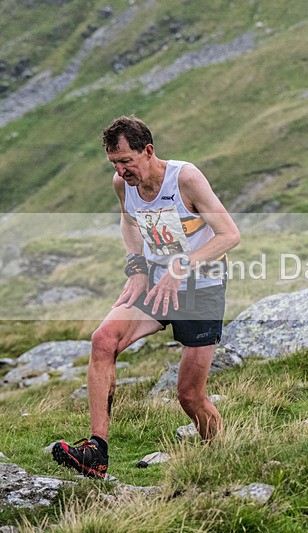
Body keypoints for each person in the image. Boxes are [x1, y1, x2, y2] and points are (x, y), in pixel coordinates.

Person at [52, 116, 240, 478]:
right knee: (103, 340)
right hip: (156, 282)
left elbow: (230, 234)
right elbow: (128, 221)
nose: (122, 171)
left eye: (126, 161)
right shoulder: (123, 185)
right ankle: (96, 453)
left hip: (201, 287)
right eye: (114, 164)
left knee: (189, 396)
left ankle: (222, 457)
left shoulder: (185, 178)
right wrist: (137, 266)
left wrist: (180, 267)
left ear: (148, 151)